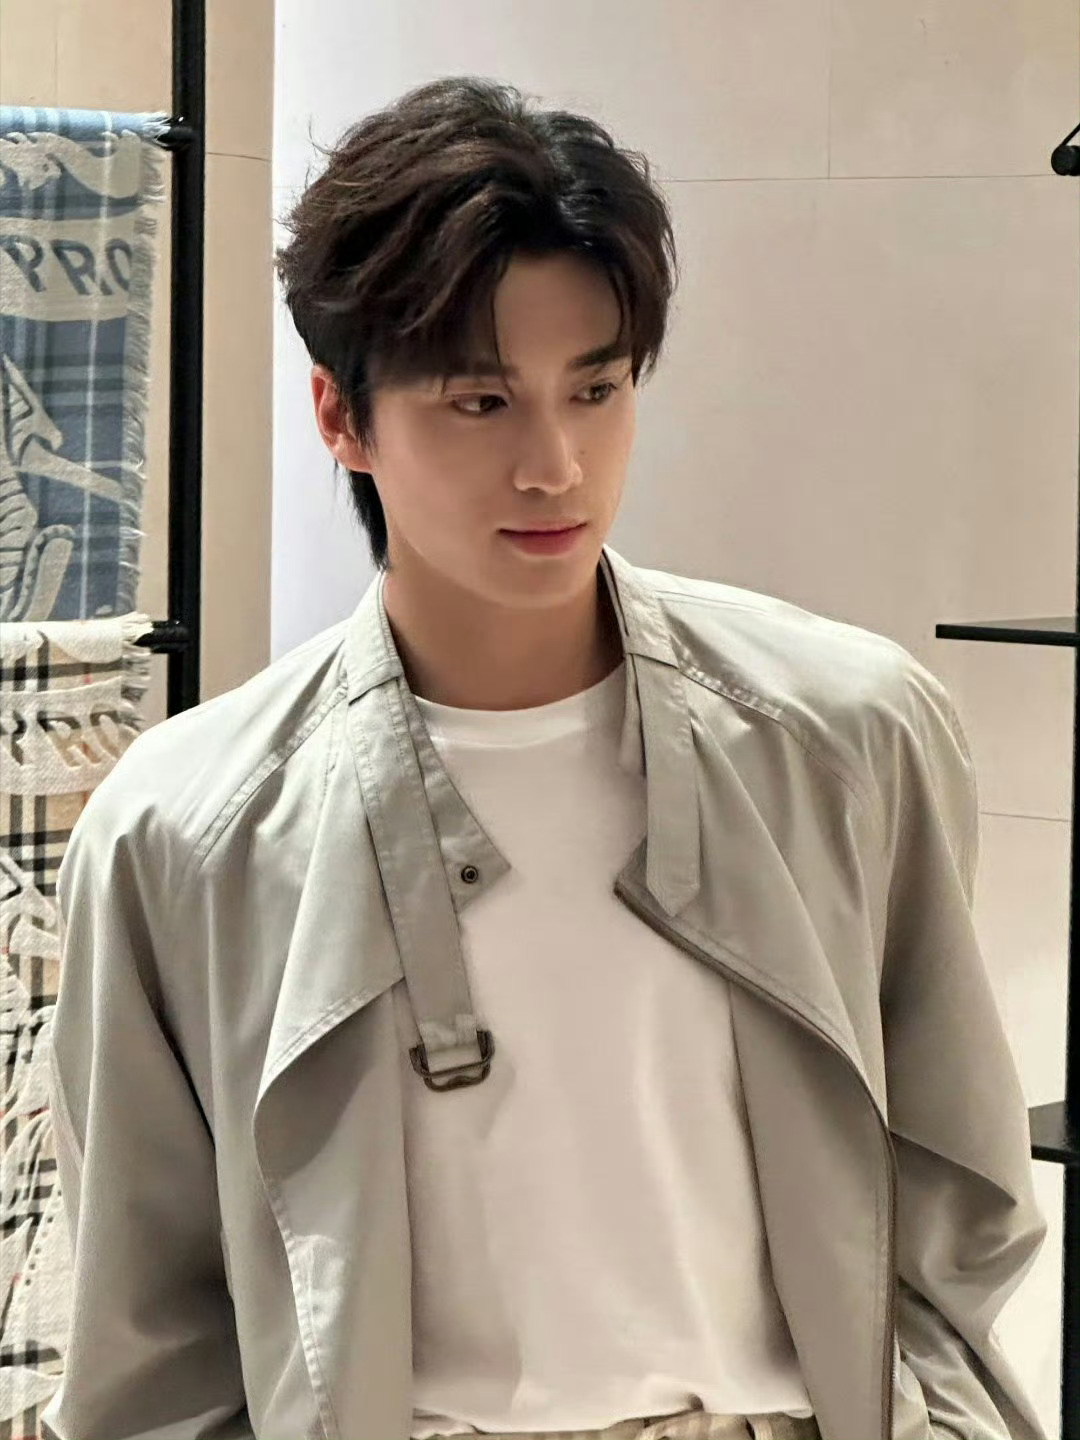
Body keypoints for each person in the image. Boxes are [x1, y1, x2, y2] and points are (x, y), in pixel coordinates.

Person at [42, 77, 1048, 1440]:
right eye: (481, 401)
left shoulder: (851, 735)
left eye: (597, 388)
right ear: (342, 416)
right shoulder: (182, 830)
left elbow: (961, 1190)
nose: (556, 465)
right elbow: (146, 1345)